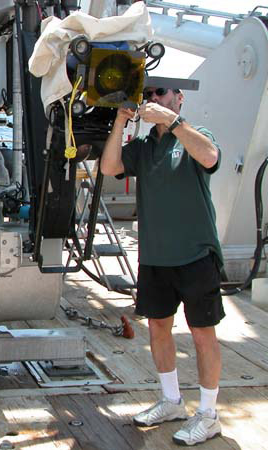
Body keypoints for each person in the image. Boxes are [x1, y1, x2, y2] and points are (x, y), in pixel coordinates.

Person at [100, 87, 225, 446]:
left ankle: (208, 414)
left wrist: (173, 122)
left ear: (179, 98)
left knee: (203, 333)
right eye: (150, 93)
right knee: (158, 329)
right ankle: (172, 401)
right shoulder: (143, 149)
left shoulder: (194, 135)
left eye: (163, 93)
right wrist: (121, 121)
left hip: (196, 254)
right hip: (155, 256)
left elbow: (210, 156)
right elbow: (109, 166)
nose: (155, 98)